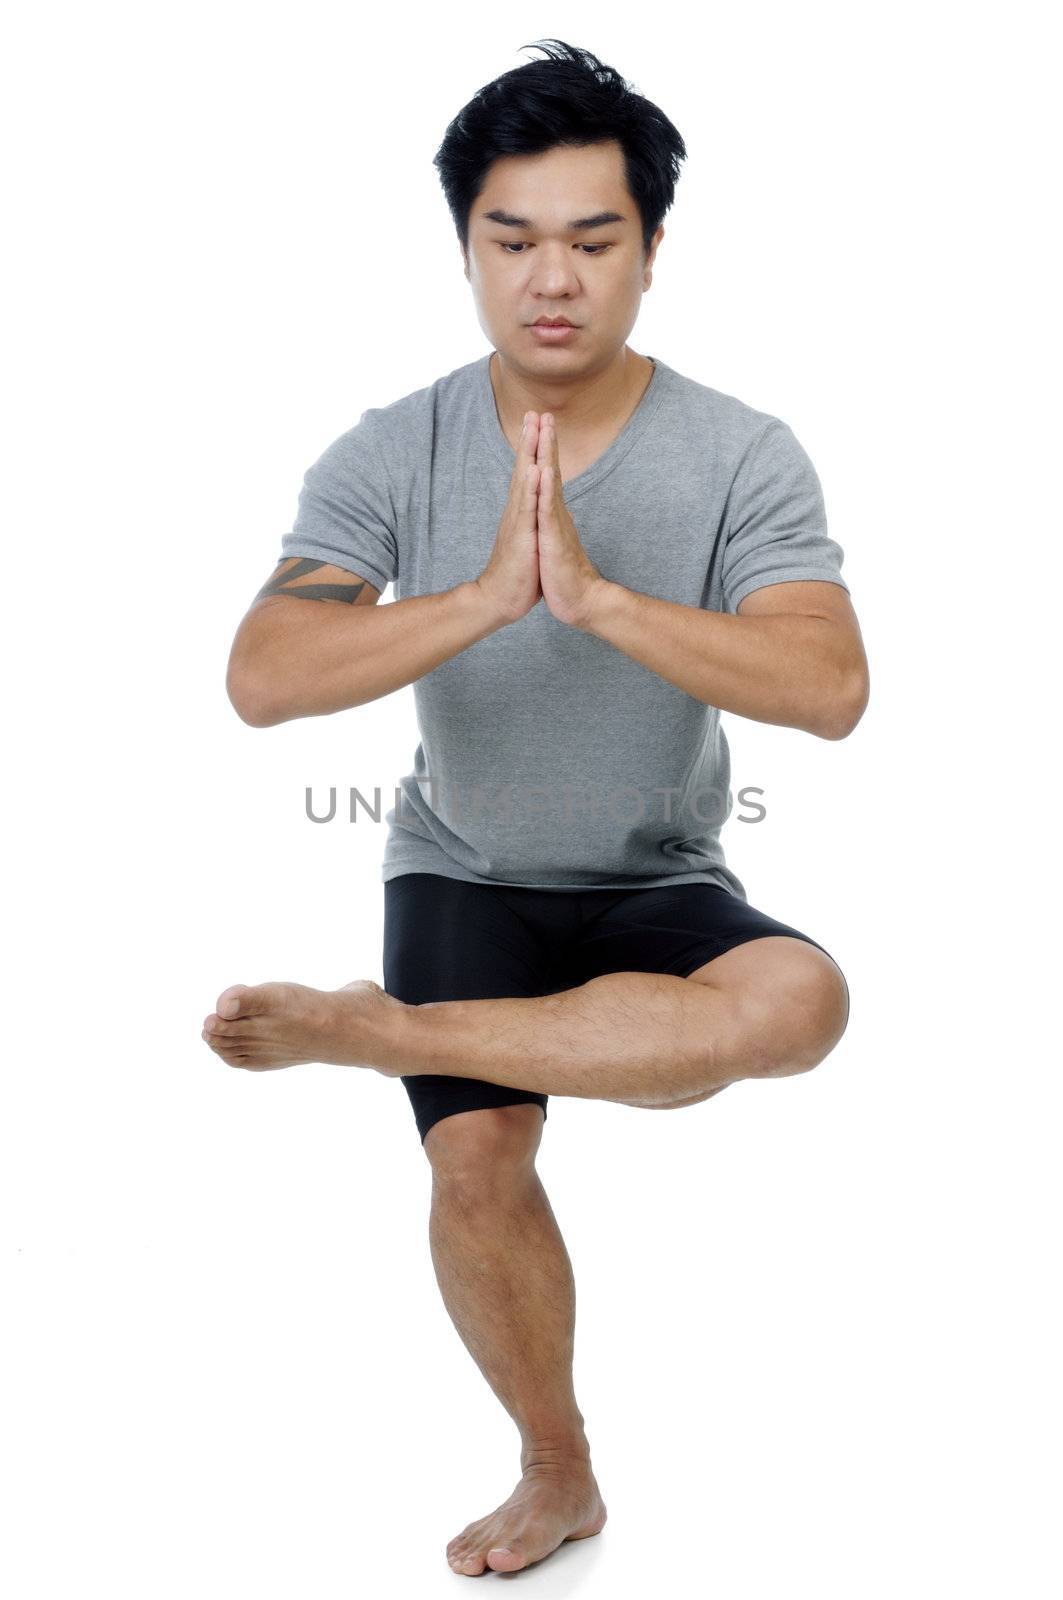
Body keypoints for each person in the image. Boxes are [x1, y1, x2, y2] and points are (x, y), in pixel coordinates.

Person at [202, 38, 869, 1577]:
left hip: (653, 868)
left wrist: (602, 599)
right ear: (466, 252)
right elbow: (262, 675)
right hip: (468, 871)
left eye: (594, 238)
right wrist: (489, 595)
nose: (551, 277)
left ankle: (385, 1033)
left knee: (805, 1000)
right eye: (513, 241)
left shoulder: (739, 452)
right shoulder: (394, 448)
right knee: (477, 1161)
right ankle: (557, 1472)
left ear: (650, 253)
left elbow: (829, 689)